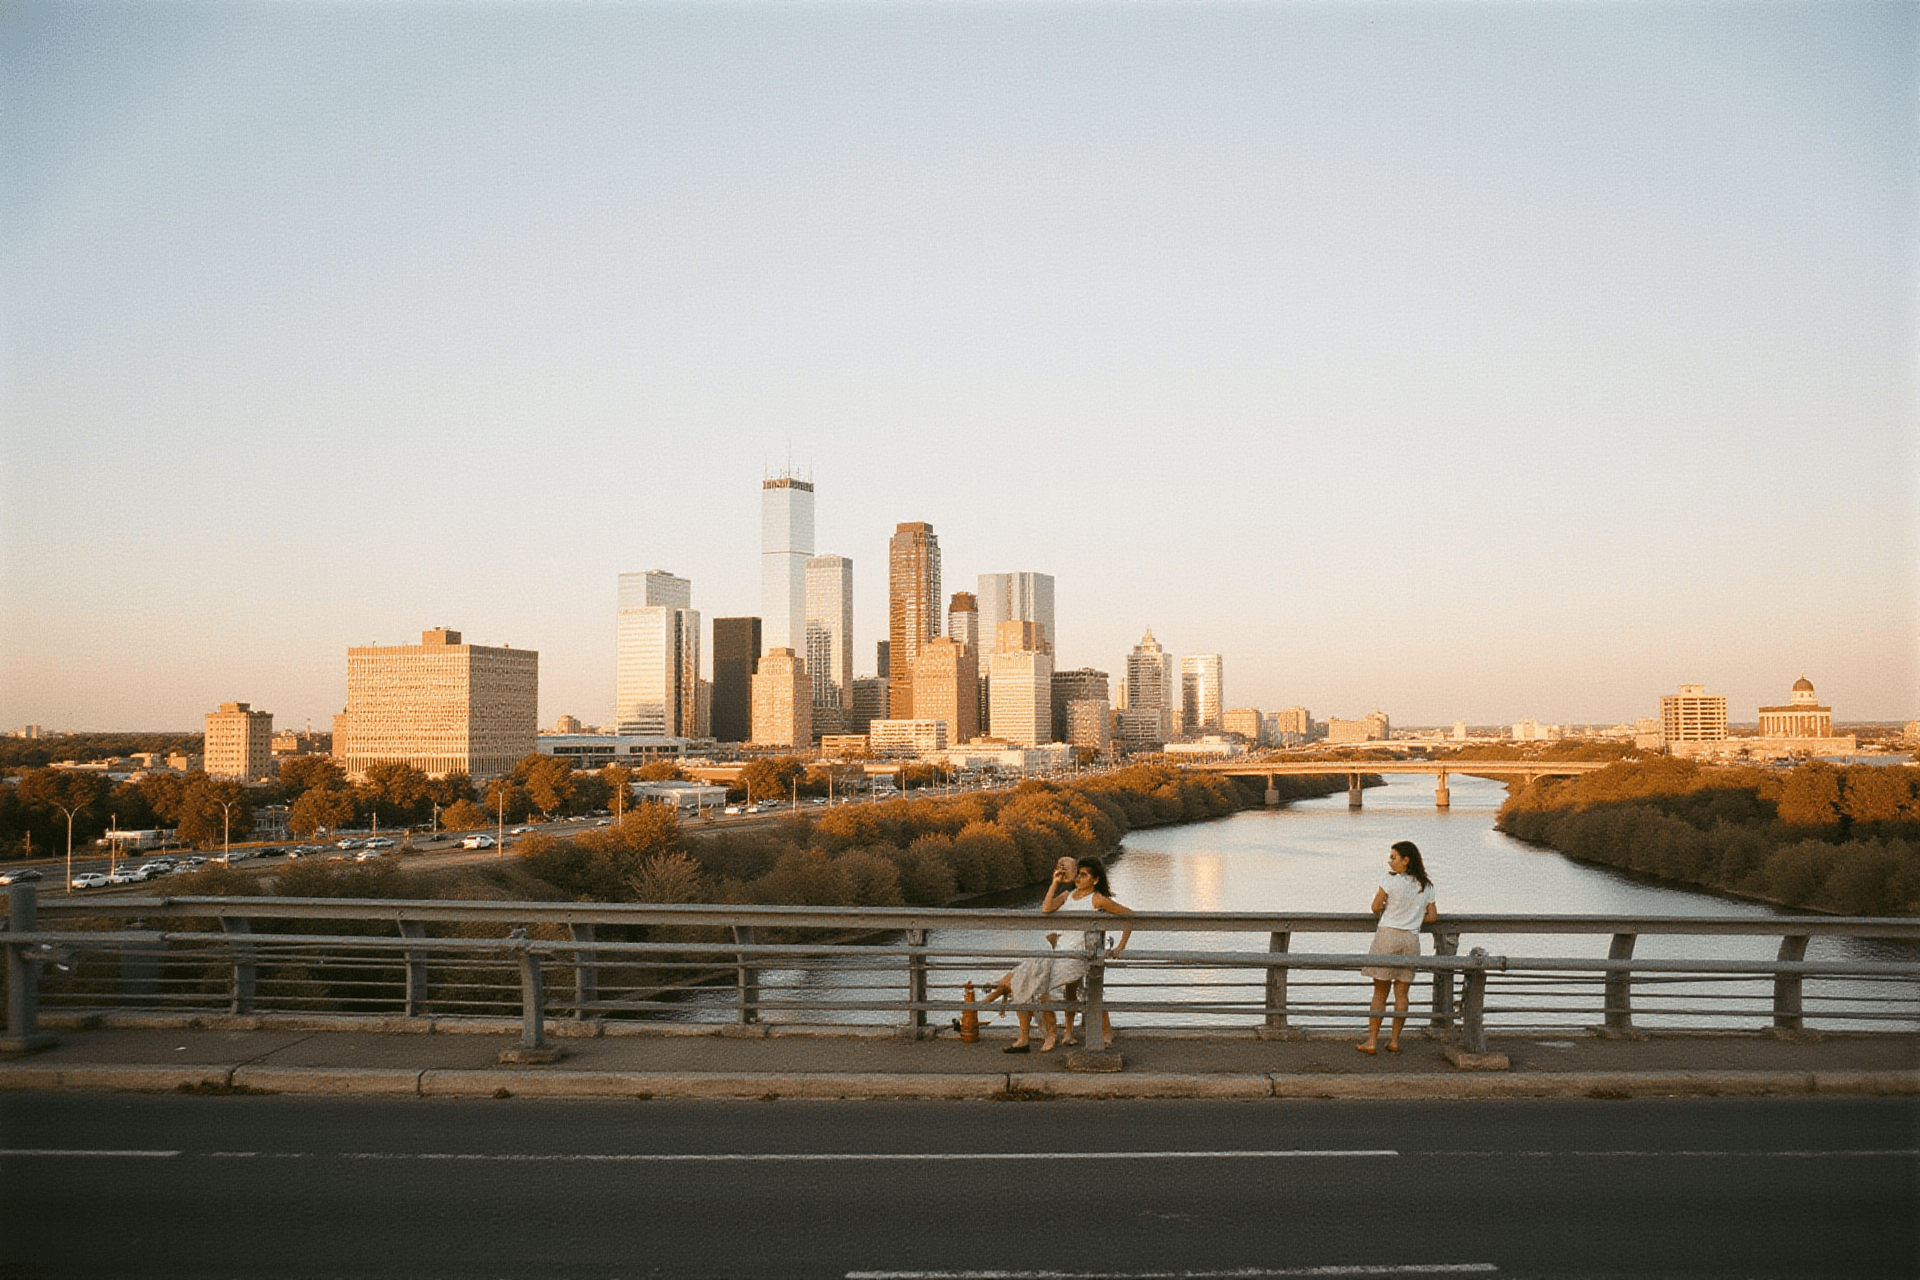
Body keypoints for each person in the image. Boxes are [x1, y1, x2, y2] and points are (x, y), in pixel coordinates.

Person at [1044, 855, 1132, 1051]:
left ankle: (1103, 1031)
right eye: (1078, 874)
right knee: (1071, 992)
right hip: (1061, 951)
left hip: (1082, 953)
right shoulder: (1067, 895)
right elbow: (1046, 908)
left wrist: (1120, 947)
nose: (1078, 878)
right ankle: (1068, 1032)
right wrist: (1055, 882)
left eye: (1084, 875)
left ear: (1095, 879)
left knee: (1084, 991)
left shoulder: (1097, 899)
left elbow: (1129, 916)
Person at [1357, 840, 1437, 1055]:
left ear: (1406, 860)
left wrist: (1388, 908)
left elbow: (1375, 907)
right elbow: (1432, 916)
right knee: (1402, 994)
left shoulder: (1389, 881)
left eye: (1393, 857)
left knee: (1380, 993)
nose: (1390, 862)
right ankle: (1394, 1041)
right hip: (1411, 940)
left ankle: (1372, 1041)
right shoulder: (1426, 885)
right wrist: (1414, 916)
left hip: (1388, 936)